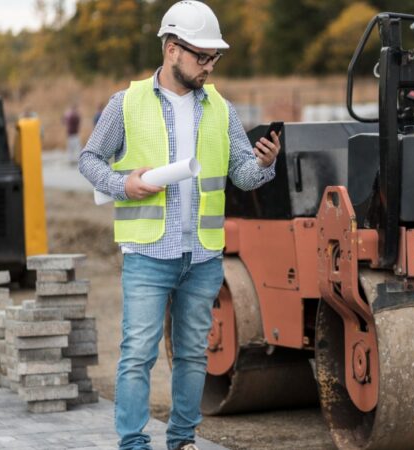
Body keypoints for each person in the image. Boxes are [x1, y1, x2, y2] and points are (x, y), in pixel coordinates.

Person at [78, 2, 281, 449]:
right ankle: (133, 444)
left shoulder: (221, 109)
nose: (210, 66)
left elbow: (241, 175)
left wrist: (264, 164)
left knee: (192, 354)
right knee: (137, 355)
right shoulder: (125, 103)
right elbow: (88, 159)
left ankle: (182, 440)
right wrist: (121, 184)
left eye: (215, 58)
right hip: (148, 253)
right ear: (172, 49)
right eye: (202, 57)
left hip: (203, 254)